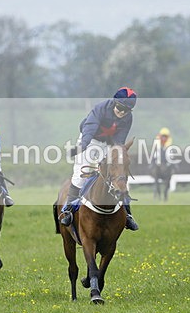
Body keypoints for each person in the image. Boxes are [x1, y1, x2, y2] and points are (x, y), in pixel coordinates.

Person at [58, 87, 139, 230]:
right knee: (81, 175)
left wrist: (117, 154)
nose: (121, 112)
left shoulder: (128, 118)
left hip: (108, 144)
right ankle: (67, 210)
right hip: (90, 140)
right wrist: (82, 147)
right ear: (114, 102)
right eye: (119, 108)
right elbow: (89, 128)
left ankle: (127, 214)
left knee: (119, 176)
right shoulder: (100, 108)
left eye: (126, 110)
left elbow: (119, 140)